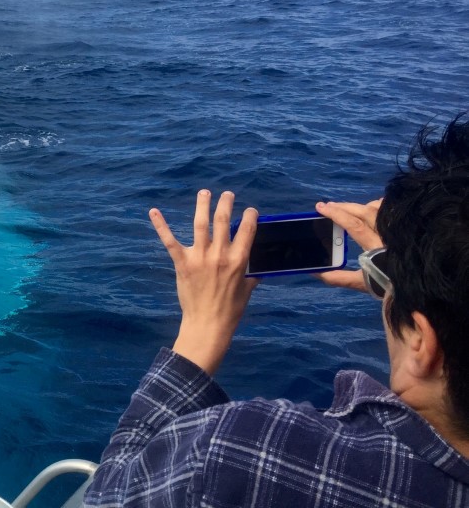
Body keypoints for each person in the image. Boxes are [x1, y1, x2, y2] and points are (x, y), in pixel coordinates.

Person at [83, 115, 469, 507]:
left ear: (421, 340)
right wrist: (408, 289)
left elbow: (111, 494)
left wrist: (202, 329)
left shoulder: (245, 452)